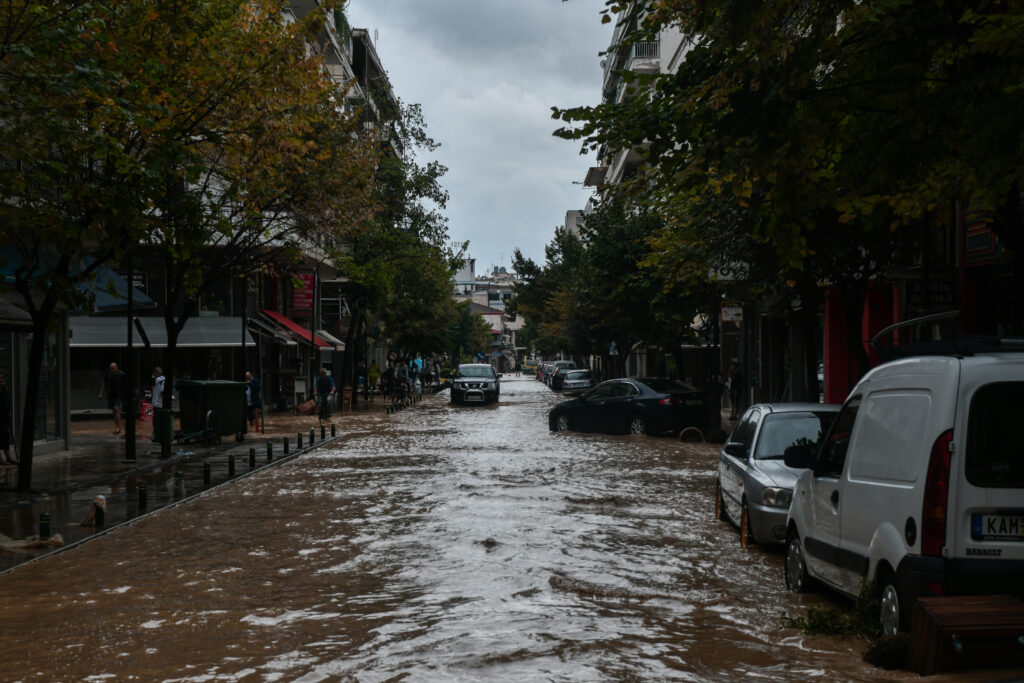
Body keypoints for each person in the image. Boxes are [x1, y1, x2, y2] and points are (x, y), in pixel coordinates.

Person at [98, 362, 127, 434]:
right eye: (111, 368)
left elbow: (126, 385)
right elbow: (104, 384)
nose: (112, 370)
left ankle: (118, 427)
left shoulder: (121, 374)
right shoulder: (108, 375)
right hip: (111, 395)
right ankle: (117, 426)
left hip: (119, 395)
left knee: (116, 409)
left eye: (114, 368)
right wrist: (101, 394)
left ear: (117, 368)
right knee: (114, 411)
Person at [0, 371, 14, 465]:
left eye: (2, 378)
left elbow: (7, 400)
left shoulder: (3, 388)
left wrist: (9, 411)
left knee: (5, 437)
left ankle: (8, 457)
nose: (1, 380)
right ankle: (1, 459)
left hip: (4, 418)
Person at [150, 367, 165, 439]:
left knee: (156, 418)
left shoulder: (160, 381)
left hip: (158, 403)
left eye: (155, 373)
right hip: (158, 403)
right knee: (156, 418)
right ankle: (156, 431)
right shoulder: (159, 381)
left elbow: (162, 391)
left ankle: (156, 432)